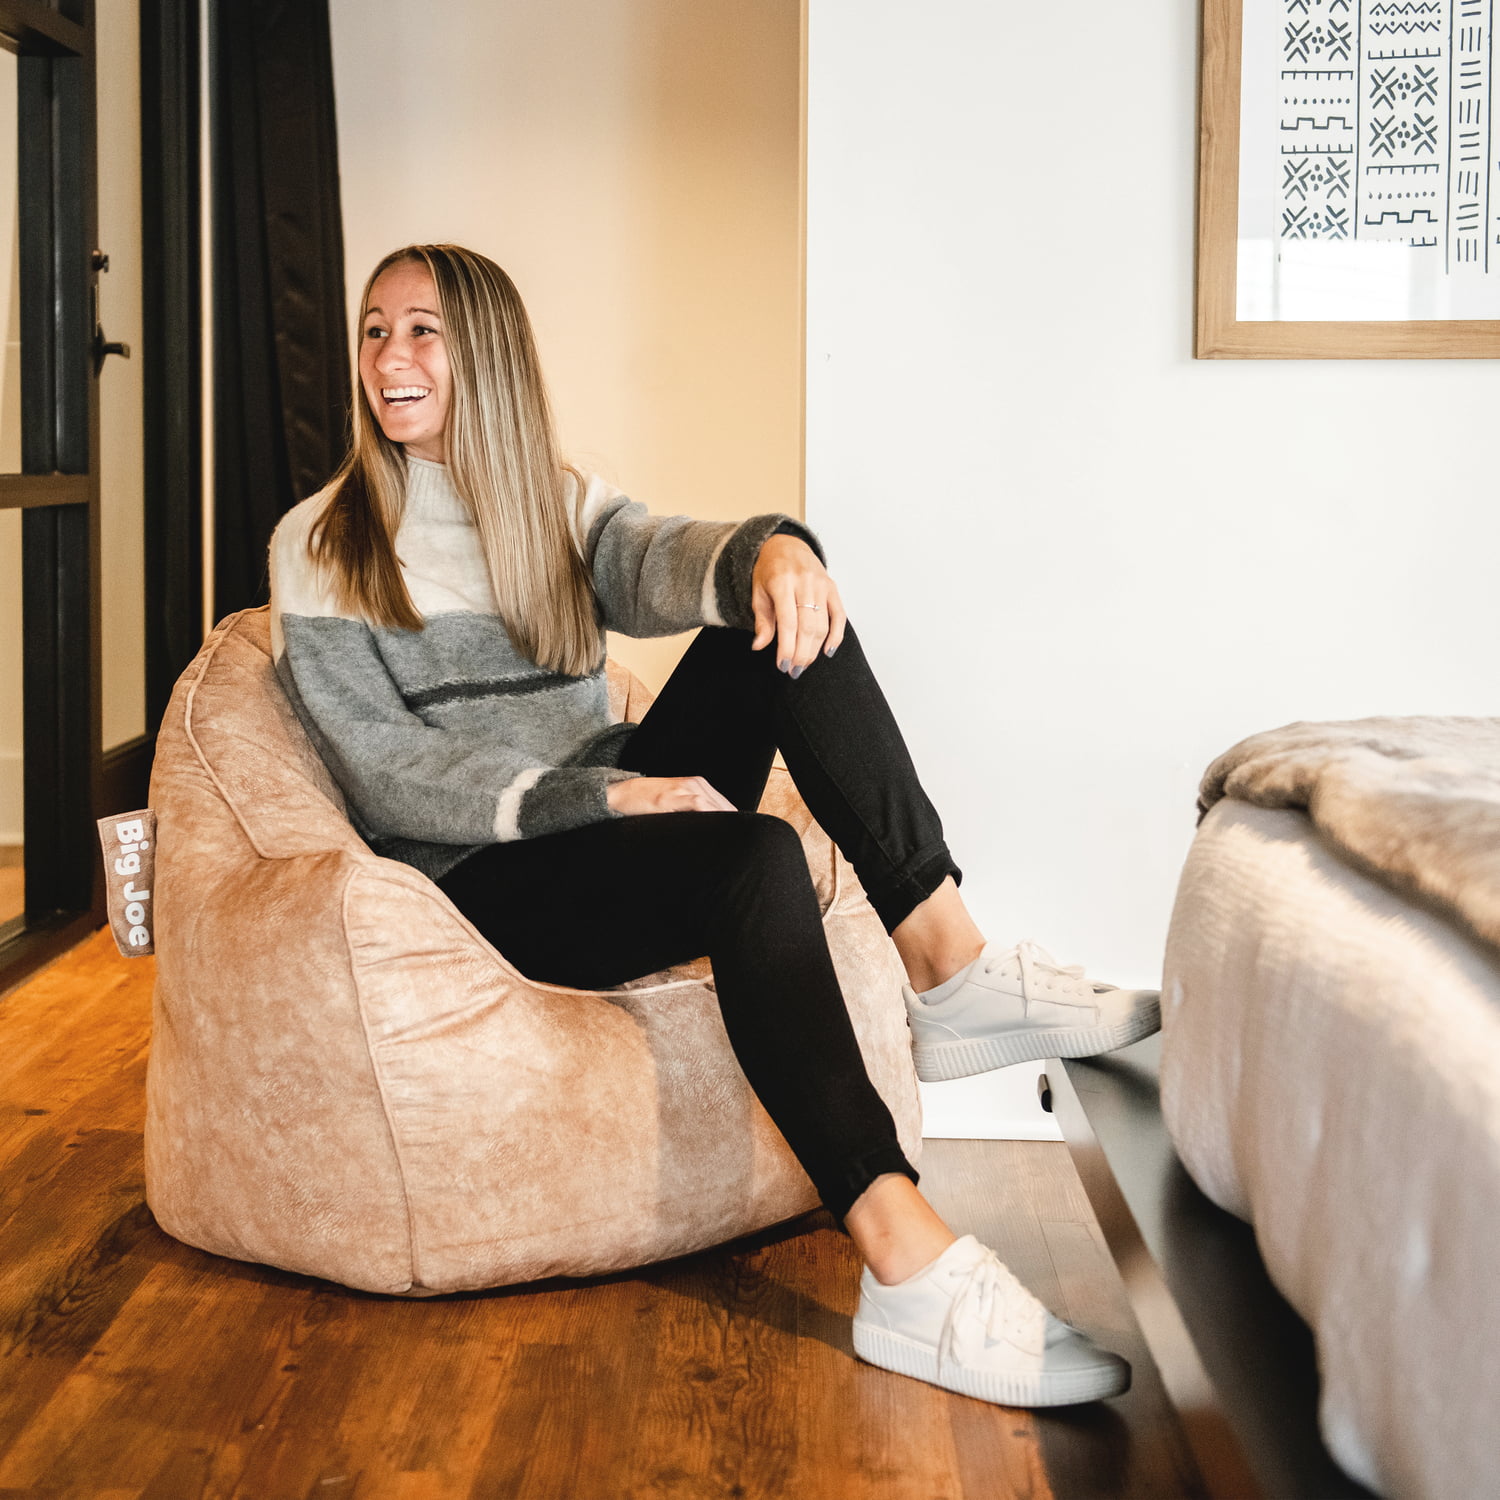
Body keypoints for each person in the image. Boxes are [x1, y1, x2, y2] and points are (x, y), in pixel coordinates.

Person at [268, 243, 1160, 1409]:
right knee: (755, 857)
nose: (391, 355)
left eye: (422, 328)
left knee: (785, 615)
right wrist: (604, 796)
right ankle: (905, 1260)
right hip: (490, 875)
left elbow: (664, 553)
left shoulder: (553, 502)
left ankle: (948, 966)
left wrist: (775, 550)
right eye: (375, 330)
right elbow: (388, 773)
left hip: (607, 824)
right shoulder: (321, 542)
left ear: (485, 351)